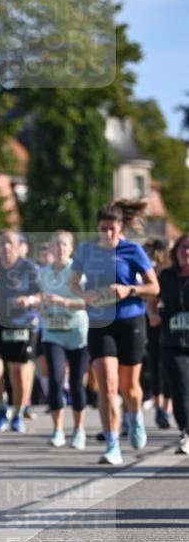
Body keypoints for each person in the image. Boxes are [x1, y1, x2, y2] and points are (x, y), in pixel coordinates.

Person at [70, 199, 159, 466]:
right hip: (99, 322)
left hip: (130, 320)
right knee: (107, 386)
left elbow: (153, 288)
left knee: (129, 387)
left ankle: (135, 418)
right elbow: (73, 282)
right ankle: (112, 444)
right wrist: (85, 294)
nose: (108, 233)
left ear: (121, 227)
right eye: (103, 228)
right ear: (97, 228)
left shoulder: (133, 250)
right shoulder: (86, 250)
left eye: (112, 228)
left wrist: (128, 289)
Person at [38, 230, 89, 448]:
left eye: (64, 245)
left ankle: (79, 430)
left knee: (77, 384)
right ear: (50, 248)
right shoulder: (42, 273)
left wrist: (61, 301)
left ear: (71, 249)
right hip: (52, 333)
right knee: (56, 380)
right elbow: (40, 301)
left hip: (78, 334)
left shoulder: (79, 273)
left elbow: (87, 303)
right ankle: (58, 429)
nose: (60, 249)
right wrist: (42, 308)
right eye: (56, 245)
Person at [0, 230, 41, 433]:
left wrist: (28, 300)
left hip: (23, 324)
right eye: (1, 243)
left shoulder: (29, 268)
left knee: (19, 373)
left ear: (20, 247)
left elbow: (41, 294)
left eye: (10, 243)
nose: (5, 247)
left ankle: (18, 413)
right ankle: (2, 408)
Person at [153, 232, 189, 455]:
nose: (187, 252)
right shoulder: (166, 276)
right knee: (181, 387)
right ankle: (186, 432)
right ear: (175, 252)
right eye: (183, 247)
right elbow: (151, 297)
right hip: (172, 341)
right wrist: (152, 314)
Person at [143, 237, 172, 429]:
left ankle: (165, 407)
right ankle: (160, 406)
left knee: (168, 364)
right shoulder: (150, 270)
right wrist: (152, 313)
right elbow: (149, 298)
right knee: (155, 362)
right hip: (154, 321)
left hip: (171, 321)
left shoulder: (173, 271)